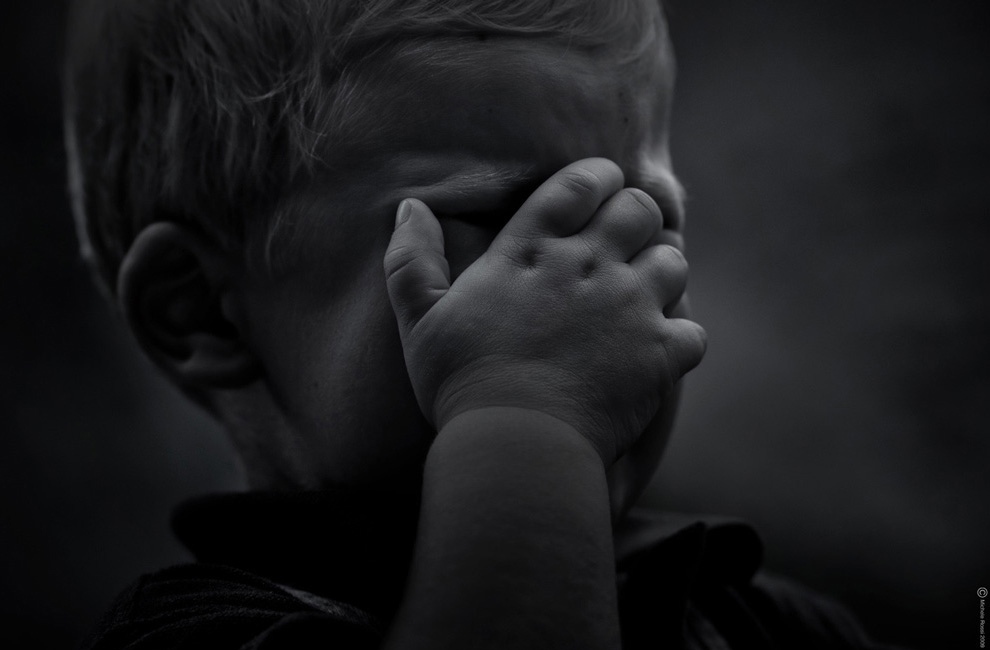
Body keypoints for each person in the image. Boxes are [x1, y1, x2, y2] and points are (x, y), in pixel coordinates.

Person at [64, 0, 899, 648]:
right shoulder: (193, 637)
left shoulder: (772, 627)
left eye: (643, 219)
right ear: (205, 312)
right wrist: (525, 416)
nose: (603, 286)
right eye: (501, 220)